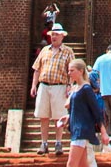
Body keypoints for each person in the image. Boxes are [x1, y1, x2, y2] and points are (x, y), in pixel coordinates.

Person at [31, 23, 75, 155]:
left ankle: (58, 143)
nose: (54, 37)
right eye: (52, 34)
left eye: (56, 34)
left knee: (59, 116)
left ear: (62, 36)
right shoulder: (45, 50)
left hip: (59, 86)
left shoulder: (68, 52)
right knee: (43, 116)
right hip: (44, 85)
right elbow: (37, 69)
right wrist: (34, 85)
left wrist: (70, 86)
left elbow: (72, 70)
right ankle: (44, 143)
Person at [64, 59, 102, 167]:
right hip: (76, 129)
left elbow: (96, 111)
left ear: (80, 71)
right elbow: (67, 105)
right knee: (82, 164)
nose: (69, 73)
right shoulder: (75, 89)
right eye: (69, 70)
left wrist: (103, 132)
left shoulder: (86, 88)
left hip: (82, 131)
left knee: (71, 164)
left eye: (72, 70)